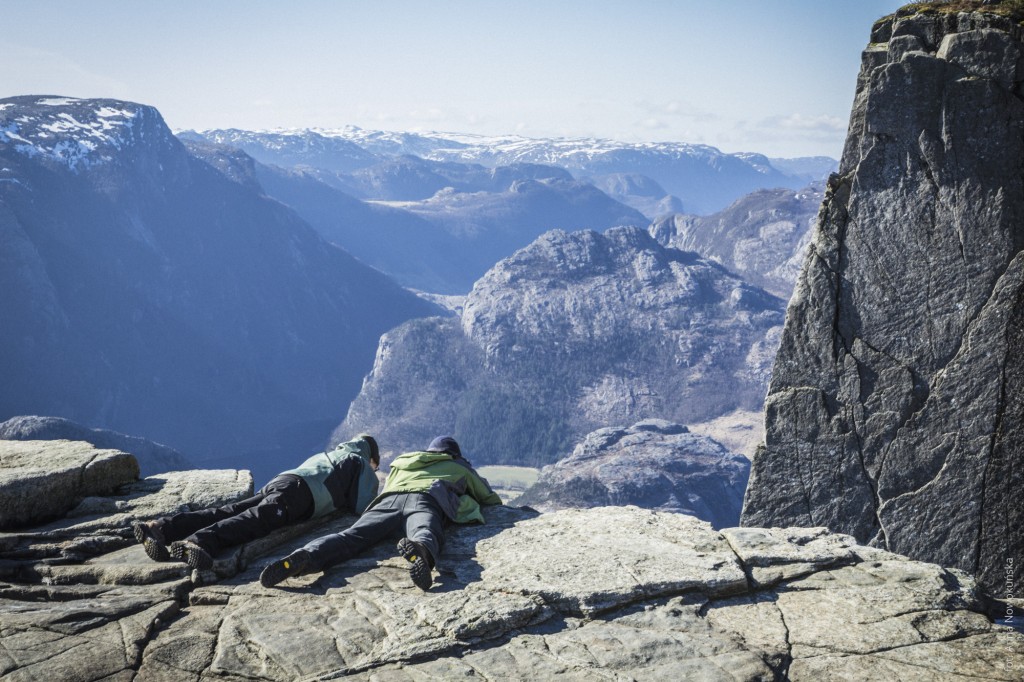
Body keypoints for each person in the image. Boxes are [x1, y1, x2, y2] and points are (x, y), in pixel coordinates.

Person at [260, 435, 501, 591]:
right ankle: (420, 553)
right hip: (424, 499)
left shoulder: (402, 462)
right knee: (425, 531)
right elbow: (489, 497)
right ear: (453, 454)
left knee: (351, 536)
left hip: (387, 502)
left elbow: (388, 486)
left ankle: (304, 557)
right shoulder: (457, 465)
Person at [132, 434, 380, 570]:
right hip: (301, 495)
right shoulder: (358, 462)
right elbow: (364, 507)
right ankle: (198, 543)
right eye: (375, 465)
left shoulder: (333, 453)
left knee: (227, 511)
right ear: (370, 456)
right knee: (256, 521)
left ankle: (161, 528)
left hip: (283, 481)